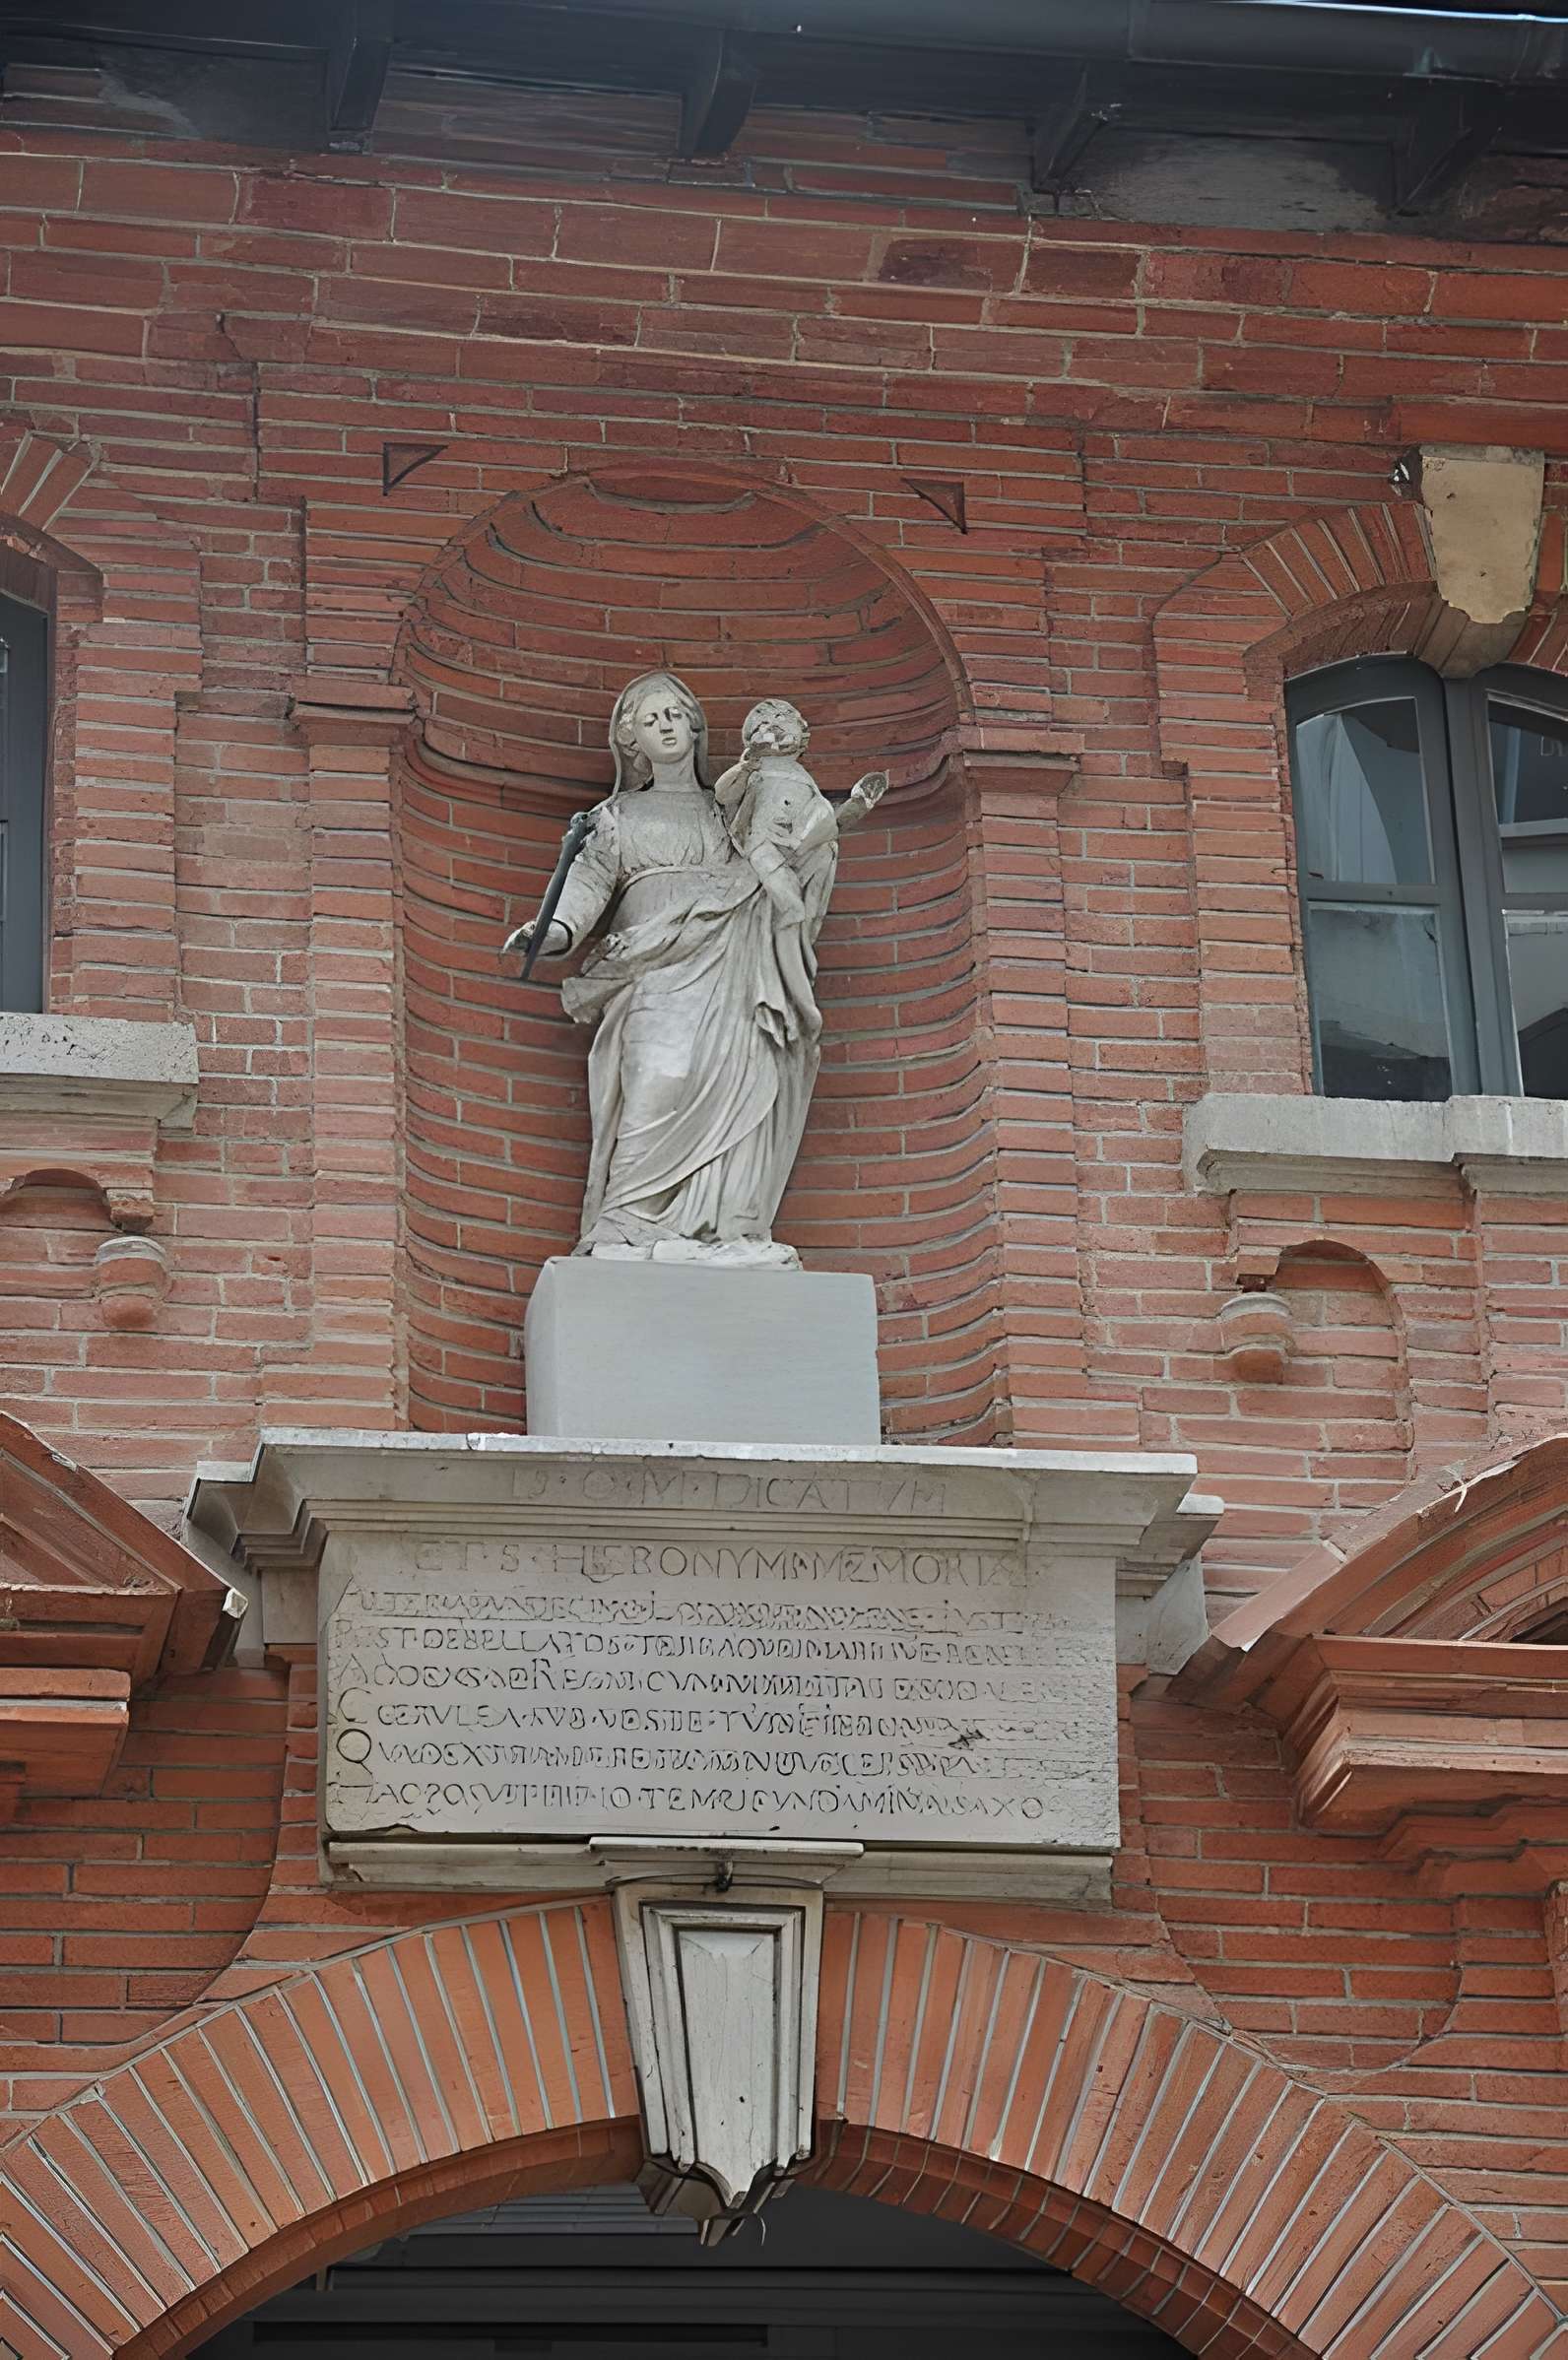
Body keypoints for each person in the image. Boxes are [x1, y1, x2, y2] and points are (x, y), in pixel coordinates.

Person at [506, 671, 879, 1267]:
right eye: (651, 720)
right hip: (651, 966)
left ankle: (727, 1227)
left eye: (675, 715)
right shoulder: (615, 817)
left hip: (735, 960)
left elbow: (782, 852)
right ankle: (625, 1226)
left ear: (694, 727)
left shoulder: (731, 808)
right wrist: (553, 930)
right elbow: (586, 887)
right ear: (632, 742)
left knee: (741, 1073)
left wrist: (825, 836)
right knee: (657, 1079)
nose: (665, 726)